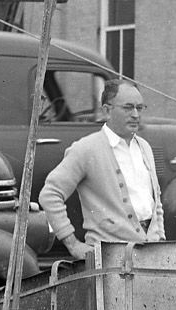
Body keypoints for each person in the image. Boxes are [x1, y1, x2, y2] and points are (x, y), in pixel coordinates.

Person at [39, 79, 165, 260]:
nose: (136, 114)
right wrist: (72, 244)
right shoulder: (87, 149)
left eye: (140, 107)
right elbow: (50, 194)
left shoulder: (144, 147)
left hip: (151, 256)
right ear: (107, 110)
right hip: (110, 260)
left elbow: (156, 203)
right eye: (128, 108)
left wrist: (160, 238)